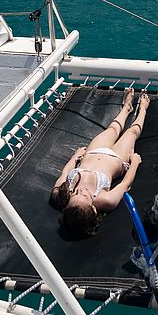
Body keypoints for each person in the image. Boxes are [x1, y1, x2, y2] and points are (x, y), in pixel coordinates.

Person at [50, 88, 150, 238]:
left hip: (94, 151)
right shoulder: (105, 200)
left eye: (75, 194)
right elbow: (125, 185)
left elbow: (65, 173)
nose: (80, 191)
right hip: (117, 158)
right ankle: (143, 109)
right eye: (84, 196)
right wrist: (135, 163)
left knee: (113, 128)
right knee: (132, 132)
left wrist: (75, 157)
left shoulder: (59, 194)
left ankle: (126, 108)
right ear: (93, 209)